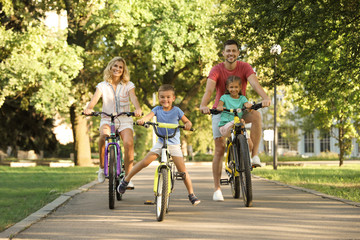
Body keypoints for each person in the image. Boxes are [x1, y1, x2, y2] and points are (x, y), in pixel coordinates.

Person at [200, 40, 271, 202]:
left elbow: (254, 83)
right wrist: (204, 105)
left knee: (256, 115)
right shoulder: (217, 69)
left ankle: (253, 155)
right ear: (223, 53)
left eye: (234, 51)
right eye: (228, 51)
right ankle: (217, 188)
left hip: (239, 110)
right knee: (219, 149)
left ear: (238, 53)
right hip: (221, 111)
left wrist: (265, 97)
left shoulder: (245, 67)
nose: (231, 53)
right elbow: (209, 89)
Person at [117, 84, 201, 206]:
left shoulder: (177, 111)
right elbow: (148, 117)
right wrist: (142, 120)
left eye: (168, 97)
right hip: (161, 143)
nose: (165, 100)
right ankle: (126, 180)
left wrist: (188, 124)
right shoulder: (157, 109)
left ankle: (191, 194)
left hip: (174, 144)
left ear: (173, 98)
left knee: (182, 171)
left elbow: (187, 121)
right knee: (144, 162)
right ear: (158, 97)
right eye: (162, 97)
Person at [84, 57, 142, 187]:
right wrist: (89, 108)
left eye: (120, 67)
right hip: (107, 119)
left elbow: (133, 97)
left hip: (124, 119)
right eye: (115, 66)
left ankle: (127, 177)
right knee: (103, 136)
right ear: (110, 67)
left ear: (123, 70)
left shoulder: (129, 85)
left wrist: (137, 108)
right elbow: (94, 99)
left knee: (128, 143)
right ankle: (101, 167)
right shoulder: (102, 85)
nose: (117, 69)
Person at [217, 76, 253, 152]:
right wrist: (220, 107)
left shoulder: (242, 98)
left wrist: (248, 106)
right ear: (227, 87)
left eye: (236, 87)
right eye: (231, 87)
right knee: (238, 123)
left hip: (238, 125)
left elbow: (247, 105)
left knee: (250, 145)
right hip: (225, 126)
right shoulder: (224, 97)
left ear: (240, 87)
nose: (234, 89)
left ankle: (244, 158)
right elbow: (219, 105)